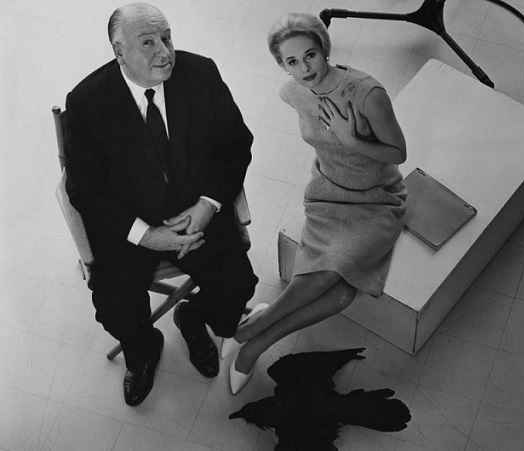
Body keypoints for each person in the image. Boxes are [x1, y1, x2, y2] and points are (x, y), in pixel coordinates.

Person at [65, 2, 258, 406]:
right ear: (119, 51)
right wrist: (147, 235)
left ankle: (192, 316)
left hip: (195, 214)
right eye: (148, 42)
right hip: (131, 224)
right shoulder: (86, 101)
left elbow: (236, 145)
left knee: (237, 287)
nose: (165, 52)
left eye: (167, 38)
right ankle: (143, 350)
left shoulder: (201, 73)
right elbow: (84, 188)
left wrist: (208, 204)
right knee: (115, 308)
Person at [225, 12, 407, 394]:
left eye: (310, 55)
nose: (304, 68)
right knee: (341, 295)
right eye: (291, 61)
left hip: (375, 200)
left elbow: (398, 153)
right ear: (282, 66)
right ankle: (256, 337)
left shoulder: (368, 93)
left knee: (328, 275)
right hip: (327, 193)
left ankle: (251, 335)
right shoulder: (292, 93)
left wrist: (350, 139)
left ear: (324, 49)